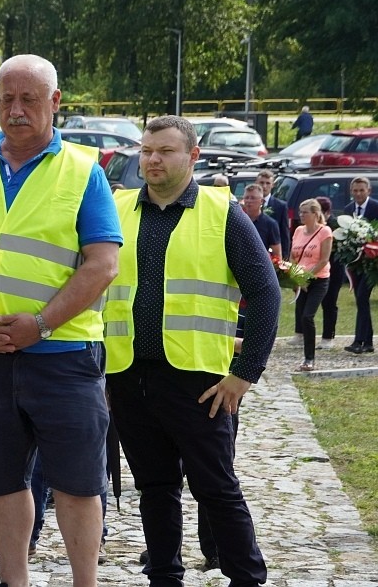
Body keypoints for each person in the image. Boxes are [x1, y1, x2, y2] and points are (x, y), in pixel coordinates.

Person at [0, 55, 122, 587]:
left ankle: (85, 581)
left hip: (63, 357)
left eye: (29, 100)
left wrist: (41, 324)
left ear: (55, 102)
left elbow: (102, 264)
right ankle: (14, 581)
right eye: (6, 100)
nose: (15, 111)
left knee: (79, 484)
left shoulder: (84, 170)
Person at [104, 115, 279, 587]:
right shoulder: (116, 207)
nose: (152, 160)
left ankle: (247, 578)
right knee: (154, 489)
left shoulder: (222, 213)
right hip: (127, 376)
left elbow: (265, 293)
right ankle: (164, 576)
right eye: (146, 151)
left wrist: (246, 371)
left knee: (216, 488)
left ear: (193, 156)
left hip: (199, 381)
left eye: (164, 151)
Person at [291, 199, 333, 371]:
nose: (301, 215)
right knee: (302, 318)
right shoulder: (299, 230)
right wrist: (295, 277)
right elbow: (293, 256)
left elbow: (323, 260)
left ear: (315, 214)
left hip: (318, 280)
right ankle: (306, 355)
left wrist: (307, 277)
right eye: (300, 212)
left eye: (305, 212)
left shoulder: (325, 231)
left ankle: (310, 358)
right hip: (301, 280)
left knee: (308, 316)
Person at [344, 177, 378, 354]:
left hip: (373, 264)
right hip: (356, 264)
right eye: (355, 190)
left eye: (361, 190)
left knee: (363, 297)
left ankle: (360, 340)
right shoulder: (348, 210)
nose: (358, 193)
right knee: (361, 299)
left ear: (368, 191)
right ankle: (368, 341)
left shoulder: (375, 208)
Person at [316, 196, 346, 349]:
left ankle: (328, 336)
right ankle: (301, 333)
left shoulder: (335, 225)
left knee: (329, 303)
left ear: (326, 212)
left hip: (334, 269)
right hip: (317, 269)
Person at [255, 169, 290, 259]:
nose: (264, 186)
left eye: (267, 183)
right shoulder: (249, 204)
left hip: (272, 253)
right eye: (261, 183)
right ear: (256, 183)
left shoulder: (281, 206)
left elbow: (284, 233)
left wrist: (285, 258)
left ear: (273, 185)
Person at [240, 184, 282, 258]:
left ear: (261, 201)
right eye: (246, 197)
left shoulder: (270, 224)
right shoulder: (238, 221)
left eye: (253, 198)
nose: (249, 201)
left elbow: (277, 254)